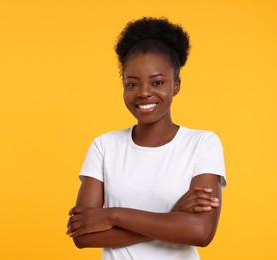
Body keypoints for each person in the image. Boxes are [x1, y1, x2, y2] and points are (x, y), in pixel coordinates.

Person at [66, 17, 226, 259]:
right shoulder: (104, 146)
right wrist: (175, 216)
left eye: (158, 82)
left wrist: (112, 215)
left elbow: (201, 231)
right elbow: (82, 235)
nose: (143, 93)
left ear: (176, 85)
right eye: (132, 84)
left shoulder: (202, 144)